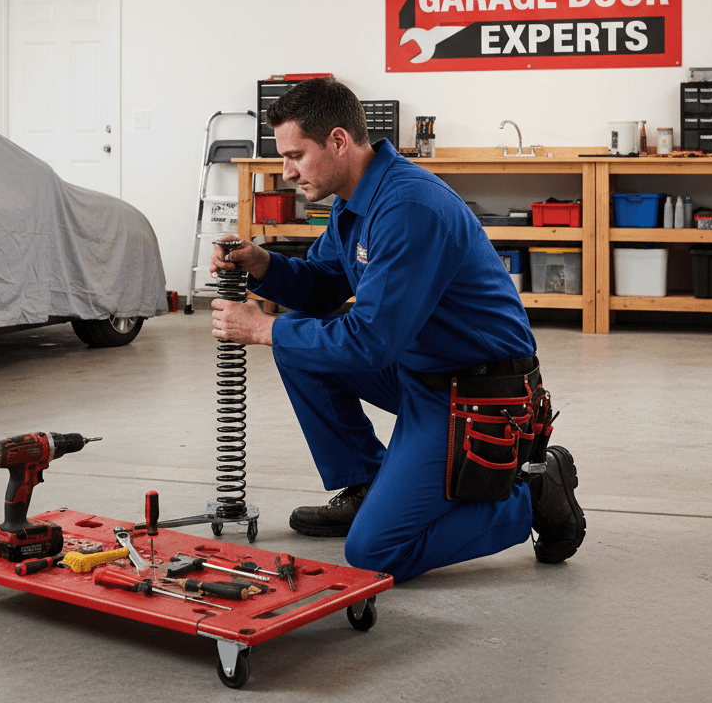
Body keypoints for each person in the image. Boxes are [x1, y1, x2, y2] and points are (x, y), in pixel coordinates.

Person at [210, 78, 585, 583]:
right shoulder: (352, 199)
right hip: (419, 369)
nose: (287, 172)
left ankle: (532, 495)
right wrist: (261, 263)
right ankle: (366, 484)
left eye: (296, 155)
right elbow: (322, 287)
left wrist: (261, 330)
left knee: (376, 550)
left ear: (338, 141)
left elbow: (370, 341)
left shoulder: (409, 207)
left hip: (473, 391)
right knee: (299, 344)